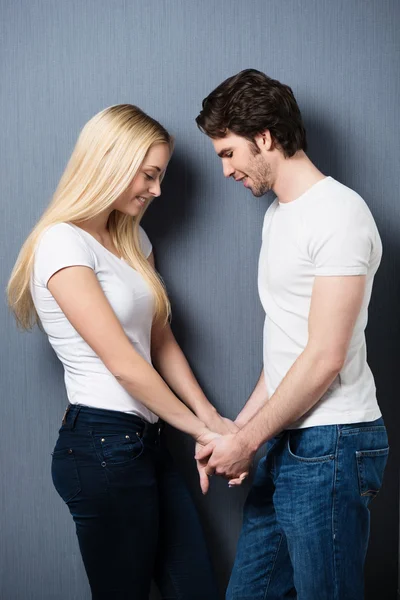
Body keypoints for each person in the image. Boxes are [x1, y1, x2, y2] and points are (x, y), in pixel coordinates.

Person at [7, 104, 235, 599]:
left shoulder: (133, 239)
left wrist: (210, 416)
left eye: (161, 177)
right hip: (101, 447)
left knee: (197, 588)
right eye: (149, 175)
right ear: (110, 161)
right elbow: (125, 364)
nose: (156, 190)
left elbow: (159, 340)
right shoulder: (61, 244)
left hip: (147, 444)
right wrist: (203, 433)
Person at [195, 69, 389, 600]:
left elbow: (325, 357)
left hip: (332, 443)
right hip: (289, 440)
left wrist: (247, 441)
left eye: (228, 153)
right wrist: (238, 430)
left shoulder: (340, 214)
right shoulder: (279, 215)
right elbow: (287, 346)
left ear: (264, 137)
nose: (227, 169)